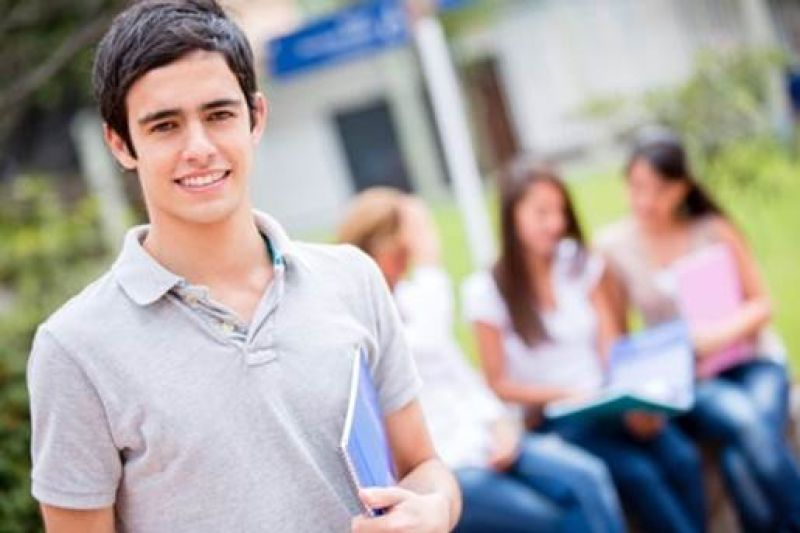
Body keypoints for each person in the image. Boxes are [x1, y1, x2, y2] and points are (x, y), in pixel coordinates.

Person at [26, 2, 460, 532]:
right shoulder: (73, 349)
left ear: (256, 117)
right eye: (165, 125)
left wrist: (434, 507)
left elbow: (423, 466)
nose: (199, 148)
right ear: (120, 143)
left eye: (218, 114)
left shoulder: (353, 279)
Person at [337, 187, 625, 533]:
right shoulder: (363, 320)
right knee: (547, 520)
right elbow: (424, 342)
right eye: (407, 241)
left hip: (486, 440)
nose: (411, 252)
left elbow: (465, 379)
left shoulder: (413, 299)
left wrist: (500, 424)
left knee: (588, 477)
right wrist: (429, 262)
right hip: (451, 465)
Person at [462, 157, 706, 533]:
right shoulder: (487, 290)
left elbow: (611, 344)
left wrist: (632, 398)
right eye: (542, 213)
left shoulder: (577, 262)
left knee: (682, 458)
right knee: (640, 475)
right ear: (513, 216)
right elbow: (497, 382)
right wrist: (568, 394)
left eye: (559, 211)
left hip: (608, 401)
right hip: (558, 419)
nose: (555, 224)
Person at [596, 128, 800, 532]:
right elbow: (615, 338)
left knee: (739, 457)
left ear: (681, 188)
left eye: (658, 190)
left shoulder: (713, 230)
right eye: (636, 187)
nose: (645, 201)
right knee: (743, 423)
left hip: (753, 363)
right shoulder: (615, 248)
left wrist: (715, 336)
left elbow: (762, 304)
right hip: (690, 380)